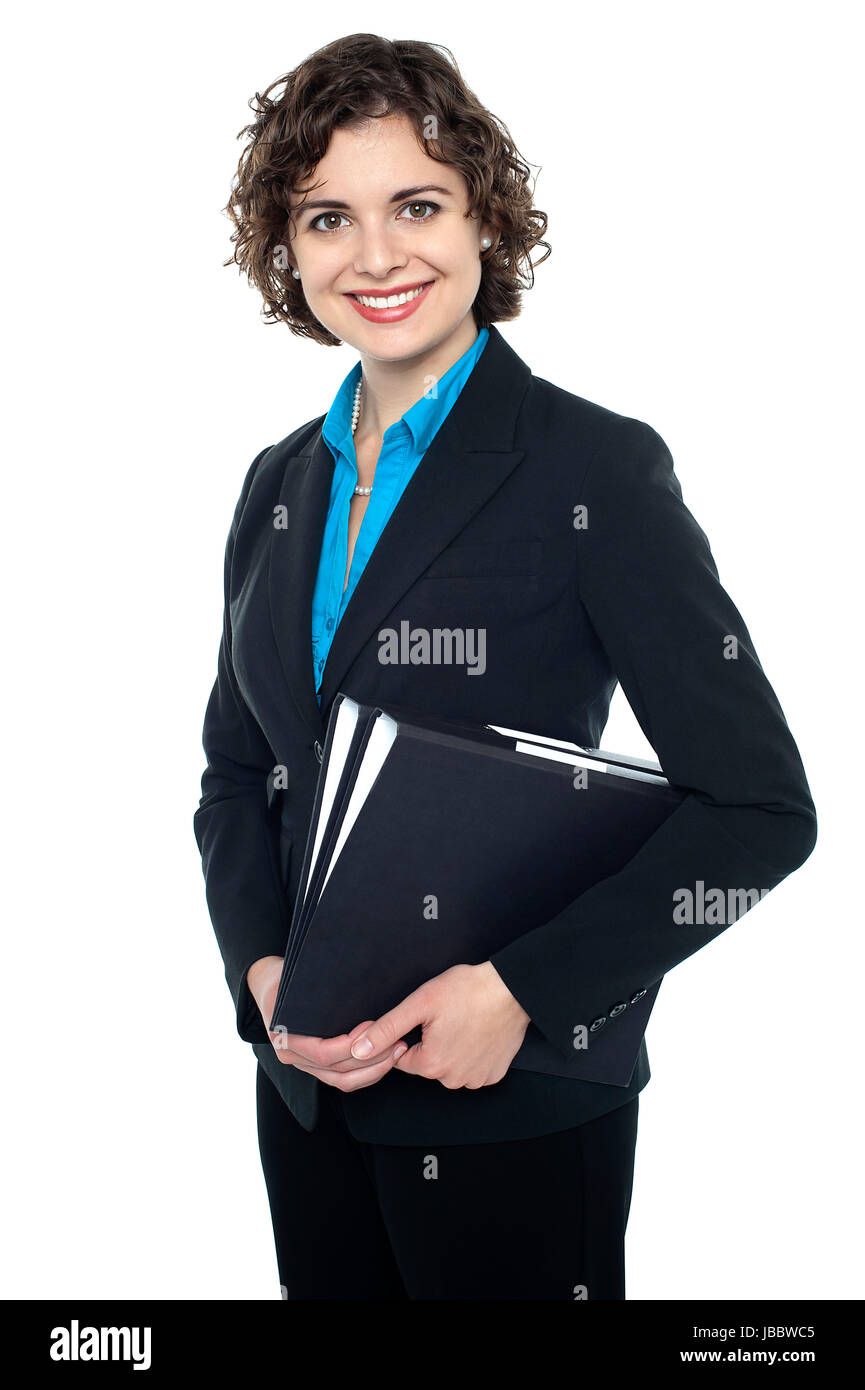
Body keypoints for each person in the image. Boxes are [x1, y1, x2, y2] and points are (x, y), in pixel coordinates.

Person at [193, 33, 817, 1301]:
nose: (374, 257)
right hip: (307, 1101)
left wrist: (523, 993)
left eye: (415, 205)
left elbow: (758, 811)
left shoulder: (593, 469)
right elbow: (236, 768)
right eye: (328, 217)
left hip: (513, 1109)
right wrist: (263, 977)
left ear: (487, 218)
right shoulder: (277, 484)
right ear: (288, 249)